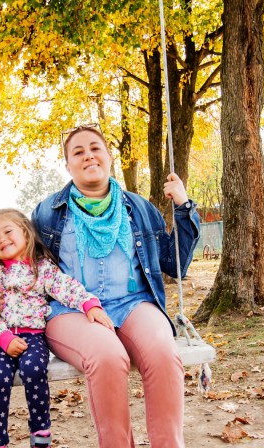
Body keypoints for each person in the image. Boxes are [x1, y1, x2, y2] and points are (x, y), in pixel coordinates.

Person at [31, 125, 201, 448]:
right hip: (71, 311)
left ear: (109, 157)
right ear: (67, 165)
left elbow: (174, 263)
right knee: (108, 356)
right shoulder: (46, 214)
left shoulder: (138, 208)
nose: (88, 155)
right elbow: (29, 269)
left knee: (164, 352)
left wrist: (183, 208)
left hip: (134, 302)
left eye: (95, 148)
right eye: (77, 152)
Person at [0, 208, 114, 448]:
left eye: (8, 231)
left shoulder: (42, 268)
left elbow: (65, 286)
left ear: (26, 234)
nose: (2, 239)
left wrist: (89, 304)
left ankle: (40, 436)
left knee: (34, 369)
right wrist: (2, 338)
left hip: (33, 336)